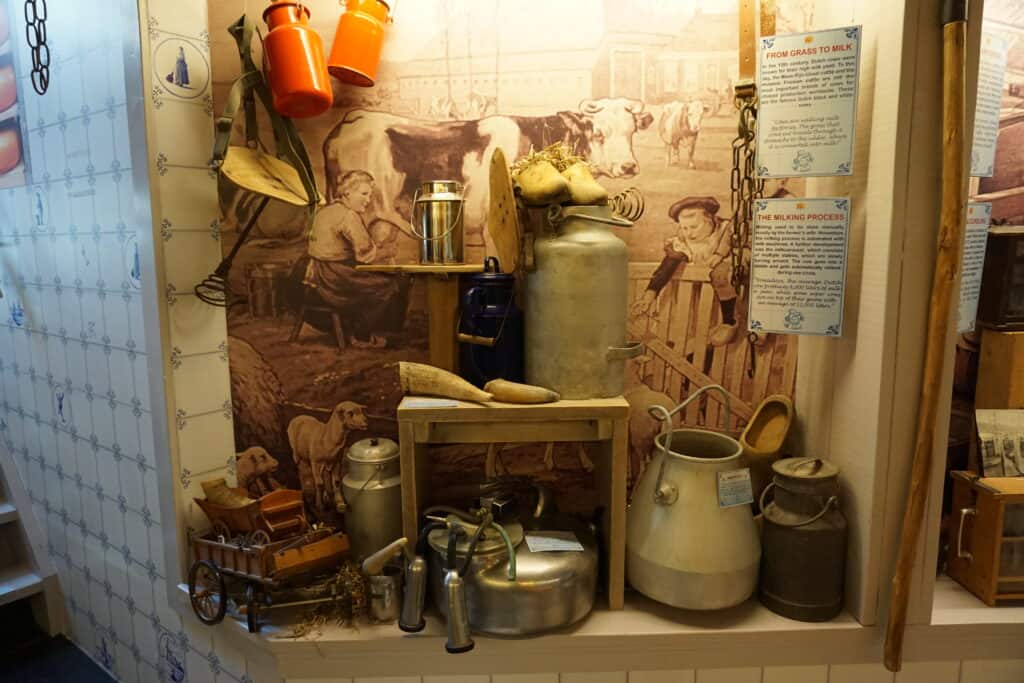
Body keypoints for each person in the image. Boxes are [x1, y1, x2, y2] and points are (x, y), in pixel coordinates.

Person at [304, 170, 409, 348]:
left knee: (381, 280)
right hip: (334, 277)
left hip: (315, 274)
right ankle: (362, 336)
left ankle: (364, 330)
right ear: (347, 193)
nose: (368, 200)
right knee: (388, 285)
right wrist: (388, 250)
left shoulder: (325, 211)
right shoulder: (348, 216)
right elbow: (366, 254)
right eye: (364, 194)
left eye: (369, 195)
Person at [631, 196, 742, 347]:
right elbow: (667, 266)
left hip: (718, 299)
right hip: (690, 299)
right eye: (685, 228)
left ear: (710, 220)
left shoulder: (725, 233)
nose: (689, 233)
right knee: (685, 335)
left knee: (710, 339)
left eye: (694, 227)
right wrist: (649, 295)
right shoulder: (682, 241)